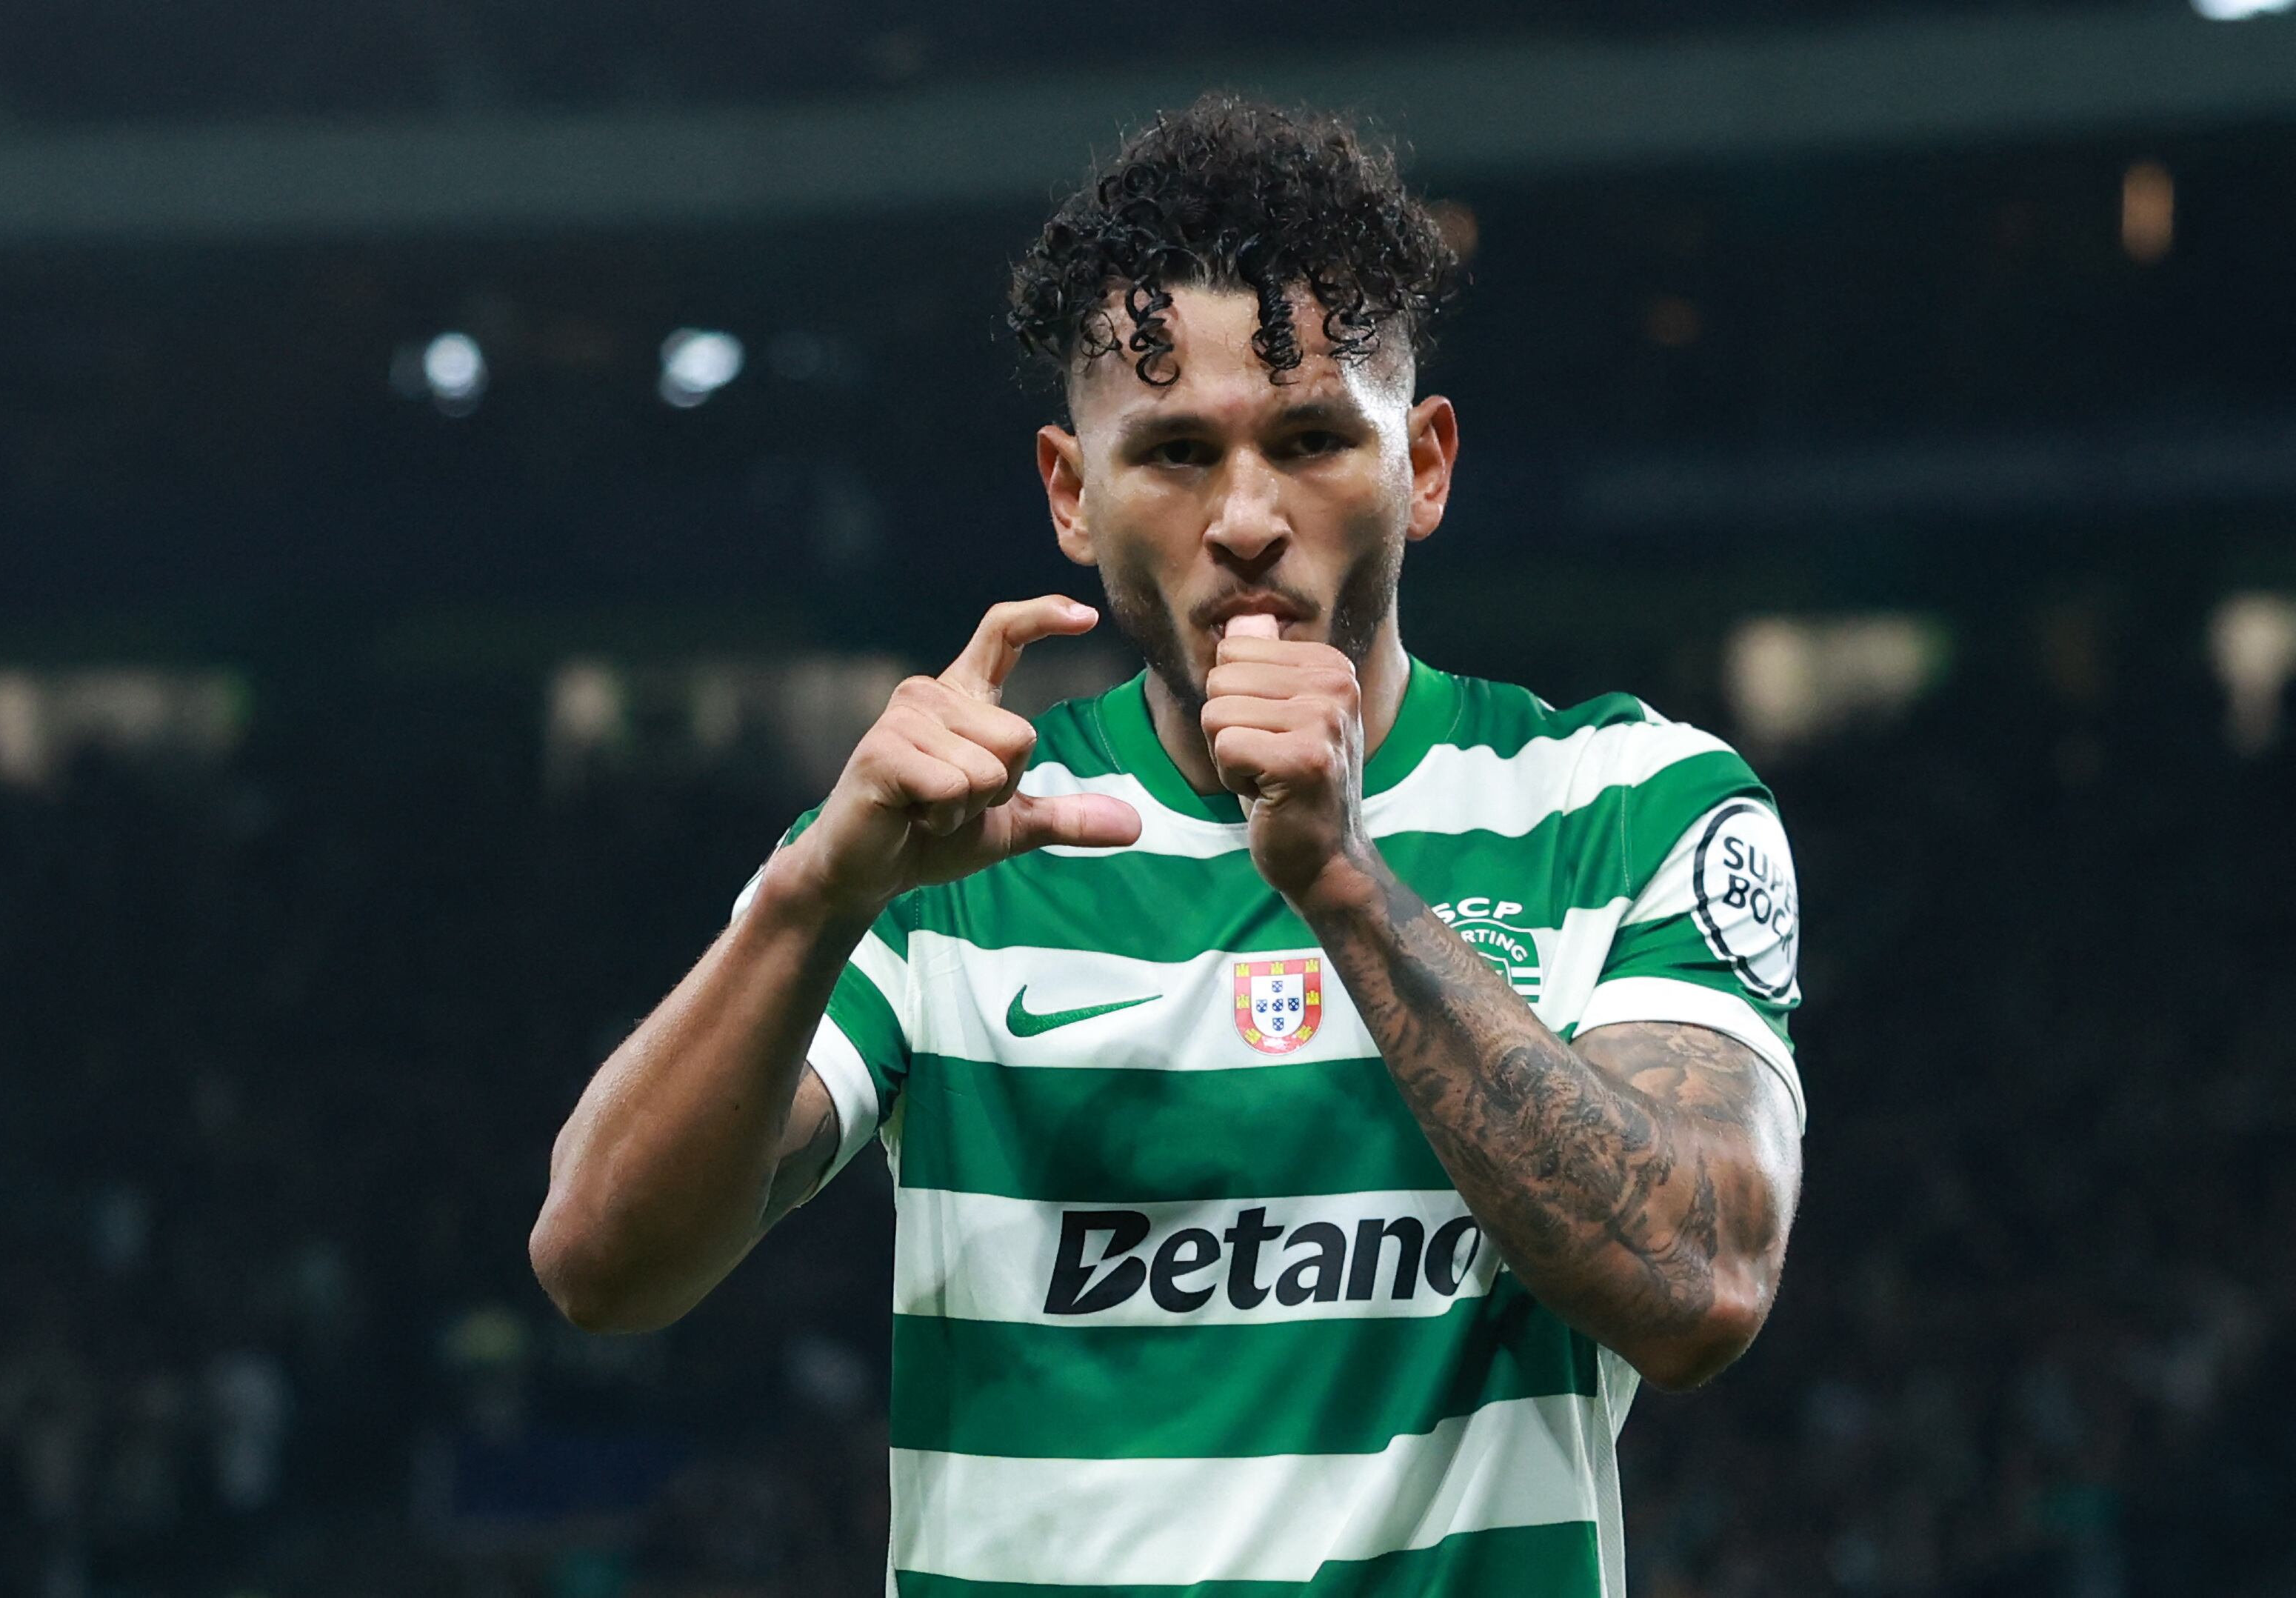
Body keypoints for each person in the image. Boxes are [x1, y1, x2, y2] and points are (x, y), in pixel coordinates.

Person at [531, 96, 1806, 1595]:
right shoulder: (943, 838)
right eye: (1178, 452)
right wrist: (810, 897)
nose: (1248, 516)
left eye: (1315, 437)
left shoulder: (1626, 803)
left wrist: (1339, 876)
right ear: (1073, 493)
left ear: (1428, 464)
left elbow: (1698, 1282)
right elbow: (600, 1264)